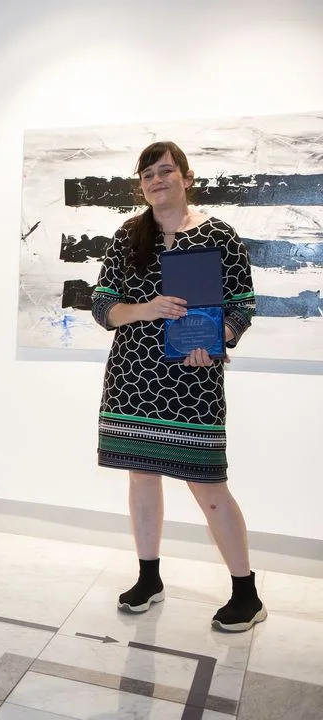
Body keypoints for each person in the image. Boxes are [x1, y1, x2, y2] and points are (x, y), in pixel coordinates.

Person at [91, 141, 265, 632]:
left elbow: (243, 306)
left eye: (165, 171)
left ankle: (247, 594)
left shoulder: (219, 236)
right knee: (142, 480)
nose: (156, 180)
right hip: (132, 378)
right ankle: (149, 579)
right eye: (148, 174)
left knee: (209, 487)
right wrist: (146, 309)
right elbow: (103, 308)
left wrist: (217, 339)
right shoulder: (128, 236)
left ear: (187, 178)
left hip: (193, 381)